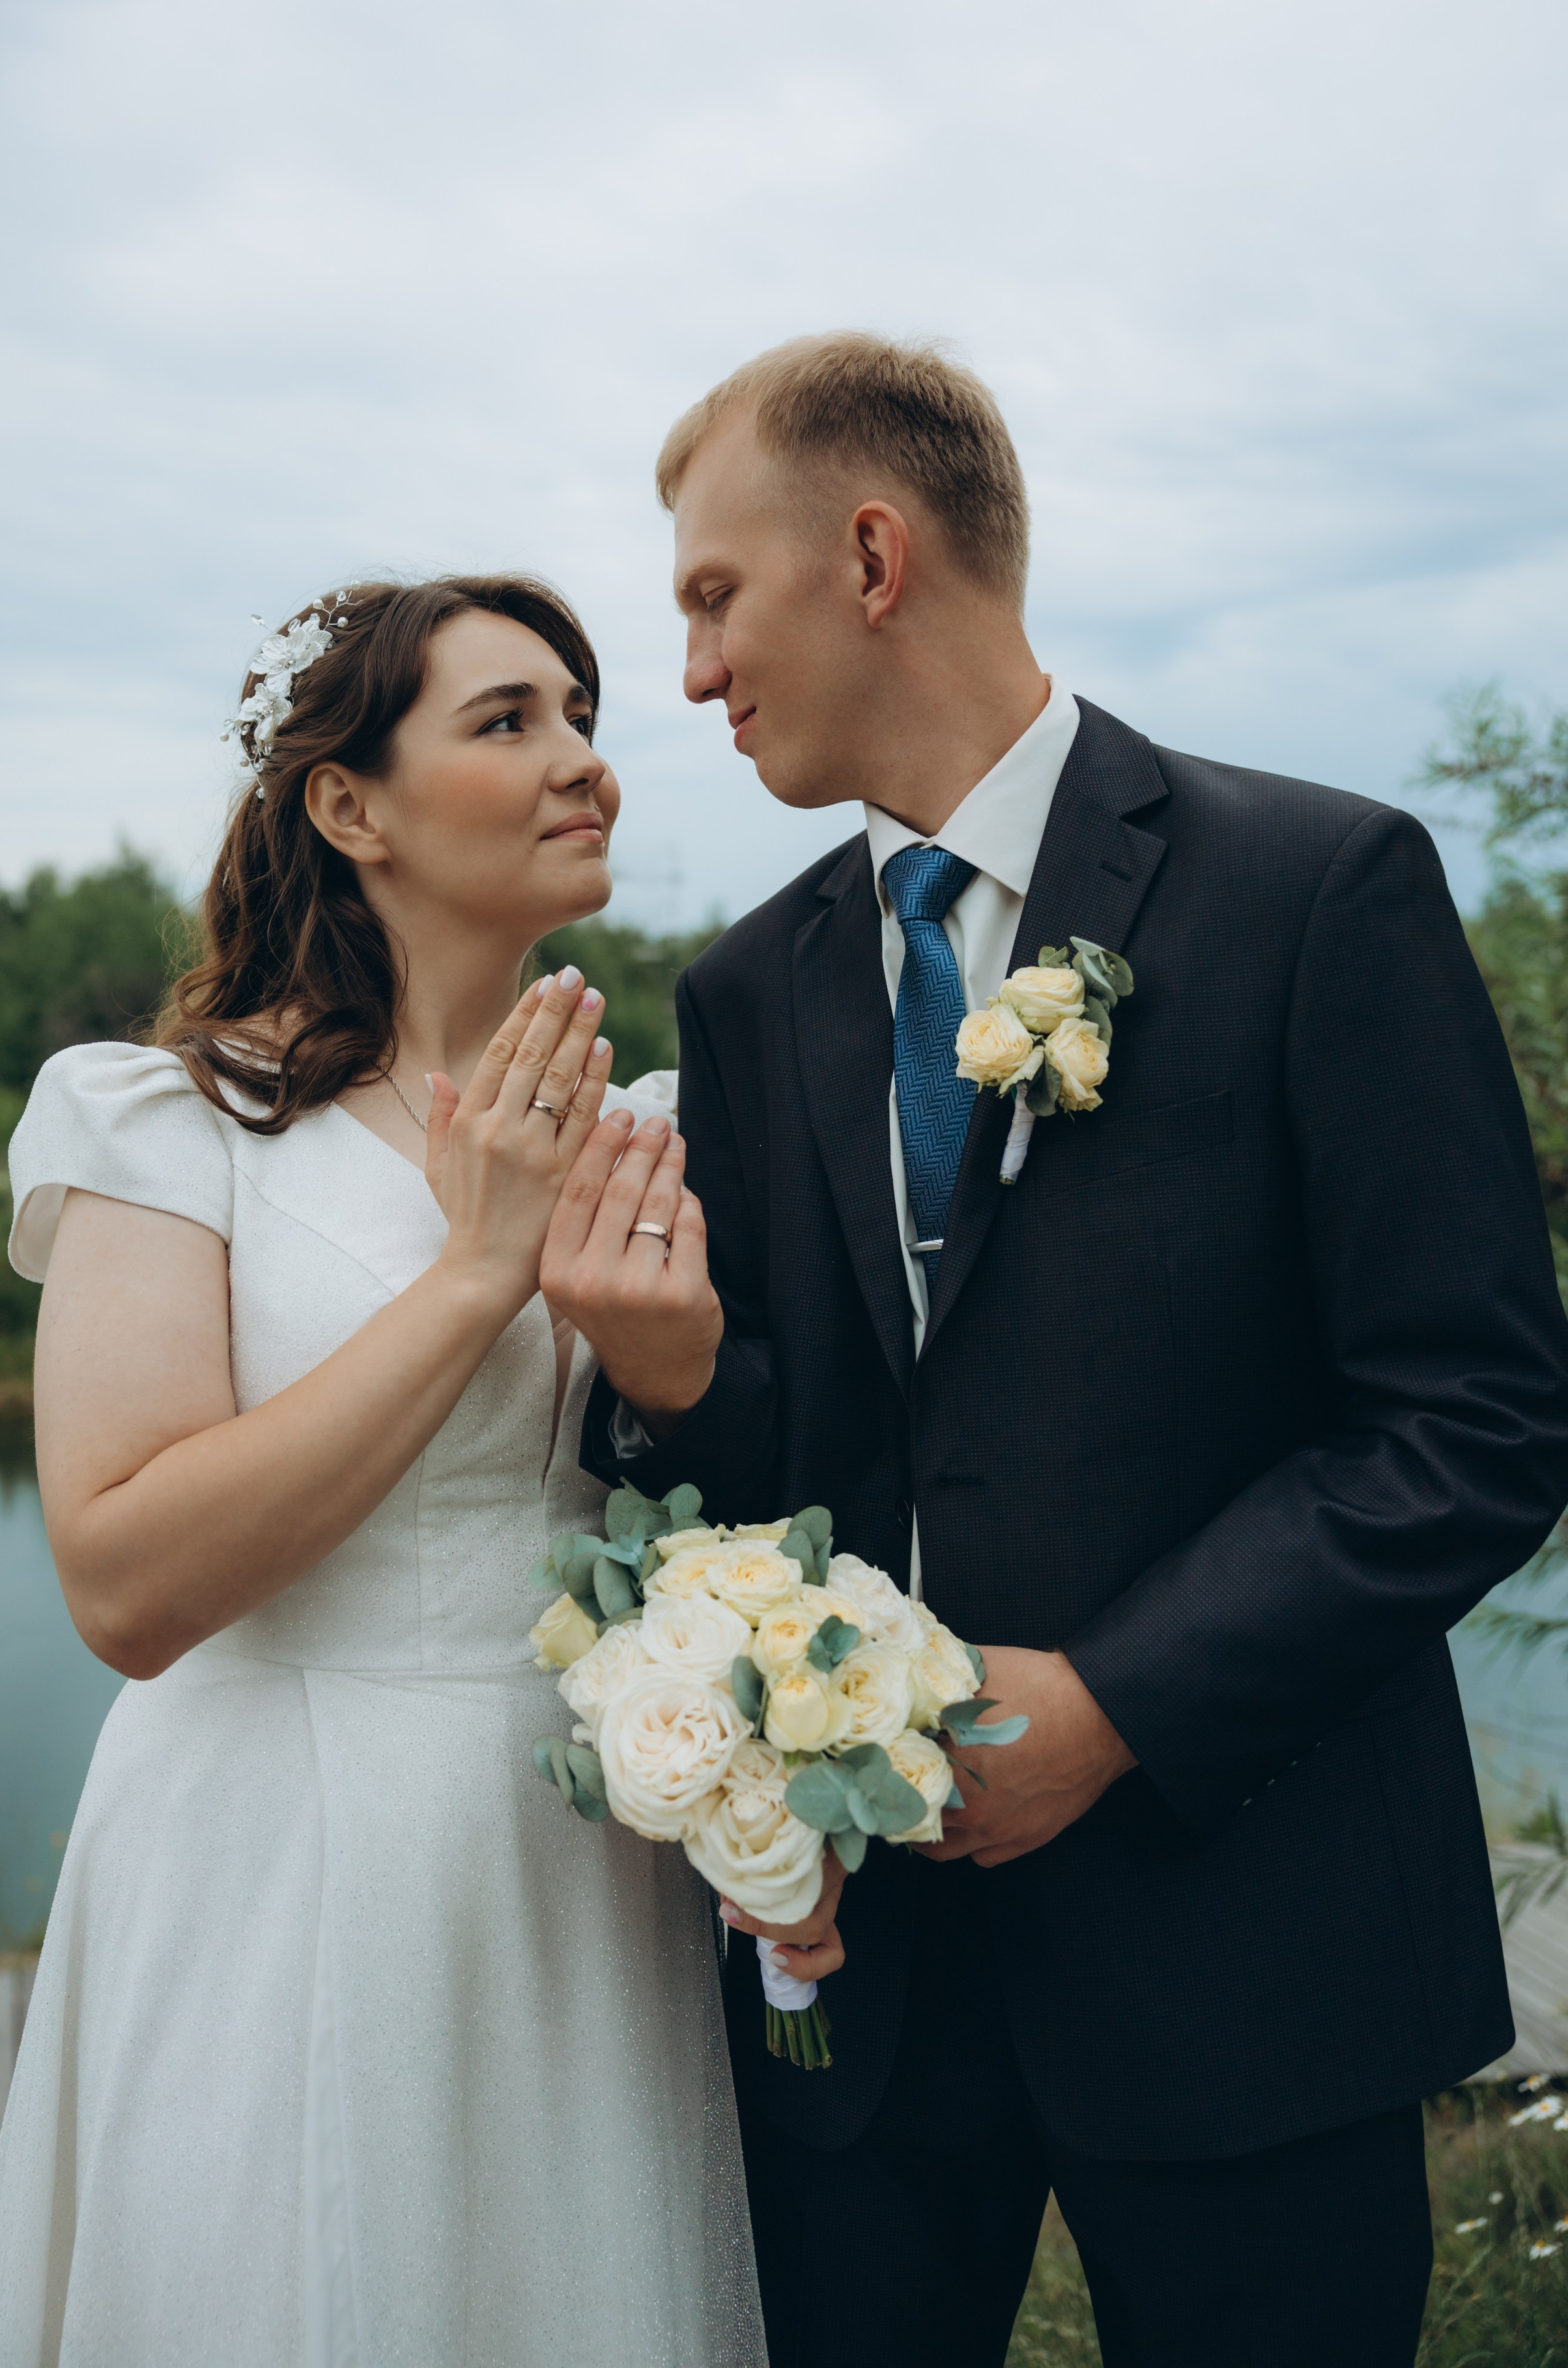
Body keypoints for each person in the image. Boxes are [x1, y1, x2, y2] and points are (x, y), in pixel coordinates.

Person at [545, 335, 1568, 2366]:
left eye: (709, 596)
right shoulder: (748, 993)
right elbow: (754, 1461)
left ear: (869, 552)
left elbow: (1476, 1418)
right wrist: (663, 1378)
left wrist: (1116, 1701)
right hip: (869, 1979)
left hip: (1254, 1947)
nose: (686, 672)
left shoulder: (1317, 890)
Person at [0, 575, 765, 2368]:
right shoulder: (169, 1122)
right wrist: (480, 1275)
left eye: (582, 714)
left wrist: (674, 1374)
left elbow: (710, 1501)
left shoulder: (644, 1142)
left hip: (576, 1877)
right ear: (351, 807)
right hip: (280, 1853)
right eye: (509, 722)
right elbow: (126, 1585)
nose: (586, 764)